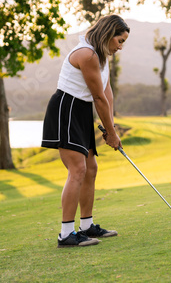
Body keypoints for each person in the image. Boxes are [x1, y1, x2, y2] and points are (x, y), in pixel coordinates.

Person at [41, 15, 129, 248]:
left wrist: (112, 128)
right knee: (77, 169)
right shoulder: (87, 55)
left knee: (90, 168)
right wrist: (111, 133)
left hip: (81, 110)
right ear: (109, 34)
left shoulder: (101, 56)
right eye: (119, 41)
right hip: (66, 108)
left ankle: (87, 225)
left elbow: (107, 92)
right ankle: (66, 234)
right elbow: (98, 97)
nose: (120, 47)